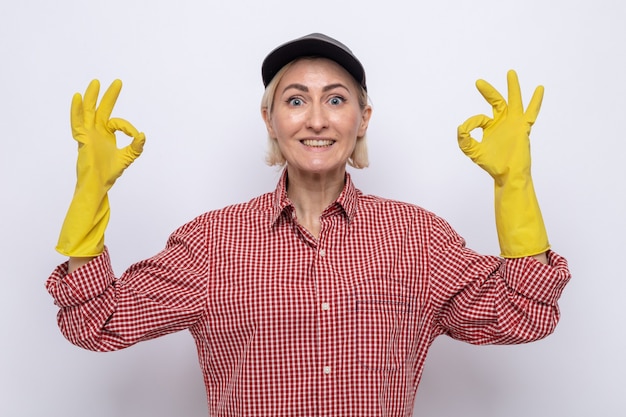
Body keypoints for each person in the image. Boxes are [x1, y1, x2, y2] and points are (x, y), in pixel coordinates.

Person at [46, 33, 571, 416]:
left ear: (362, 118)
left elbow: (523, 315)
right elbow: (96, 323)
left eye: (336, 100)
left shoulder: (420, 239)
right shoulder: (210, 242)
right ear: (270, 118)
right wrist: (90, 193)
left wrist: (514, 186)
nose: (316, 119)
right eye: (295, 100)